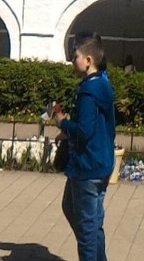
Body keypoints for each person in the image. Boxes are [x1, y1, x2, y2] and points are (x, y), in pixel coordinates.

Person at [58, 35, 116, 261]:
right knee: (82, 215)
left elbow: (84, 130)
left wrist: (62, 122)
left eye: (75, 58)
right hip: (100, 162)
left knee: (87, 228)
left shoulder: (89, 93)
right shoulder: (102, 82)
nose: (73, 62)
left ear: (89, 59)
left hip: (87, 165)